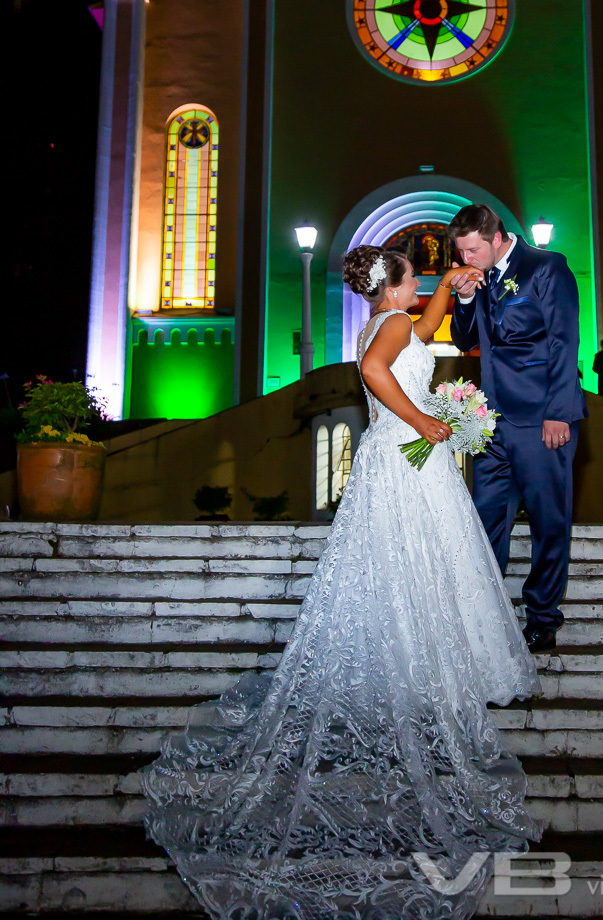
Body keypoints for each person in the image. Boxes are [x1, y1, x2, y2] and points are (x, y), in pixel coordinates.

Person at [140, 244, 543, 920]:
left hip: (403, 459)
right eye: (413, 276)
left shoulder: (391, 317)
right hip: (406, 453)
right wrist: (423, 421)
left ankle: (420, 659)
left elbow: (422, 330)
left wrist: (450, 283)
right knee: (419, 556)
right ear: (391, 285)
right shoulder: (385, 330)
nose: (420, 285)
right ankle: (429, 668)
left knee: (418, 560)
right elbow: (379, 369)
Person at [449, 204, 587, 654]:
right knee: (486, 519)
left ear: (496, 238)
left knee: (549, 522)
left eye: (472, 250)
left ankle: (543, 618)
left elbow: (565, 340)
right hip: (491, 422)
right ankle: (485, 614)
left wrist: (559, 412)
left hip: (542, 417)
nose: (466, 259)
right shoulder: (476, 275)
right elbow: (465, 340)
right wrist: (466, 299)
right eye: (461, 252)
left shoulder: (547, 268)